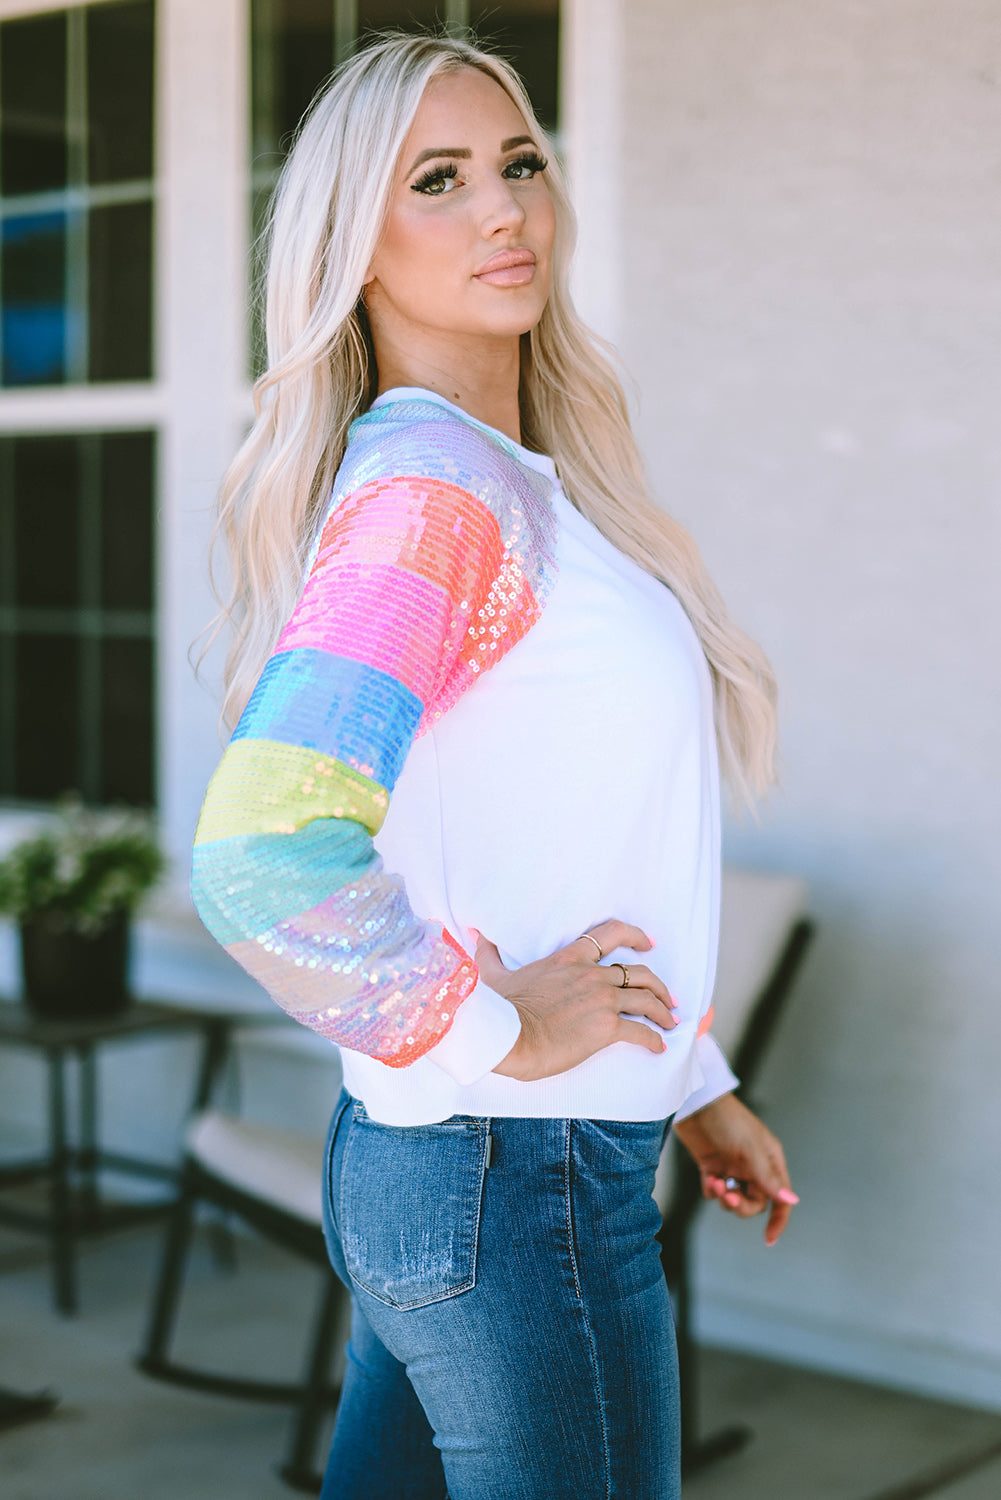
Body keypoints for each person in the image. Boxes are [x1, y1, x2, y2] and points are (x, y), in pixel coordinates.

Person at [191, 30, 798, 1500]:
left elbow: (569, 837)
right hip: (504, 1177)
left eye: (518, 161)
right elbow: (266, 851)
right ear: (358, 244)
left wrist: (688, 1072)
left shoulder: (525, 484)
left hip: (489, 1171)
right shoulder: (437, 498)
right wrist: (498, 1034)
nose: (504, 211)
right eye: (438, 183)